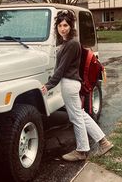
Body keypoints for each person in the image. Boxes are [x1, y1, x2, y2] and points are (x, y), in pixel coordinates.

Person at [41, 9, 113, 161]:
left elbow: (61, 69)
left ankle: (82, 150)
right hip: (71, 83)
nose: (62, 28)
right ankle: (104, 142)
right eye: (60, 25)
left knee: (76, 118)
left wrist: (48, 85)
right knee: (81, 115)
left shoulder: (72, 44)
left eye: (66, 25)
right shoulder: (68, 43)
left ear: (71, 26)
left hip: (69, 83)